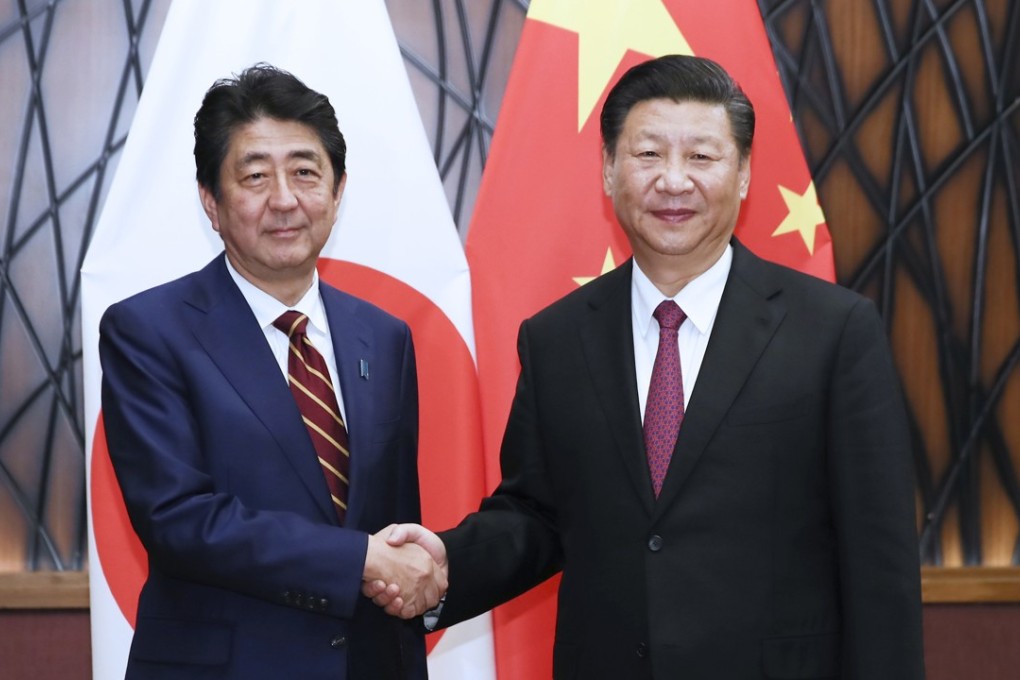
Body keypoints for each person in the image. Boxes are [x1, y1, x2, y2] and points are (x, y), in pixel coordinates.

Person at [366, 55, 926, 678]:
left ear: (742, 175)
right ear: (609, 171)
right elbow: (538, 514)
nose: (674, 181)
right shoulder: (556, 338)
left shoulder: (835, 332)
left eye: (703, 157)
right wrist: (446, 562)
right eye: (649, 154)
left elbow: (880, 565)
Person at [99, 63, 444, 679]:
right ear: (212, 201)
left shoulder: (384, 337)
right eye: (255, 176)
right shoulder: (148, 331)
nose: (284, 199)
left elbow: (394, 525)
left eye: (306, 173)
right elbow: (180, 520)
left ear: (337, 192)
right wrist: (358, 559)